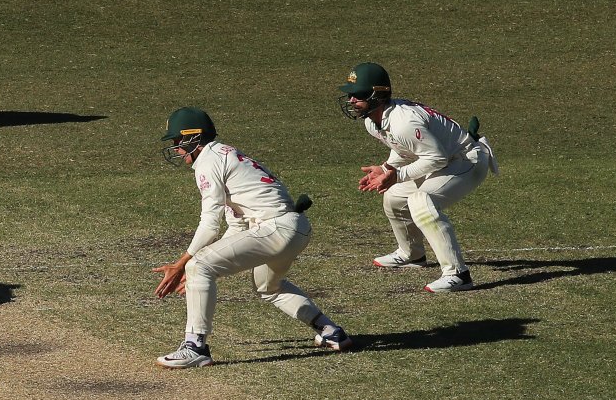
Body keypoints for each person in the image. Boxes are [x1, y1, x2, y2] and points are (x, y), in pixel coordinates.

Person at [152, 108, 349, 368]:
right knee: (269, 287)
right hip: (294, 228)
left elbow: (210, 225)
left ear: (193, 138)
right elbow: (236, 225)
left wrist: (184, 265)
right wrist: (202, 268)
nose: (176, 148)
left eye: (178, 141)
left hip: (275, 227)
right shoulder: (225, 155)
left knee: (199, 264)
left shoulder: (208, 162)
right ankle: (330, 331)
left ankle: (195, 347)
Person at [339, 62, 497, 293]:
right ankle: (412, 254)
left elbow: (437, 158)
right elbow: (405, 148)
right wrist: (386, 168)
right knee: (394, 197)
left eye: (359, 95)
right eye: (351, 95)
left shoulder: (404, 121)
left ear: (378, 95)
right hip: (447, 158)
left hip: (468, 161)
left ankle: (458, 274)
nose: (352, 100)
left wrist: (397, 175)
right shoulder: (373, 122)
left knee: (421, 200)